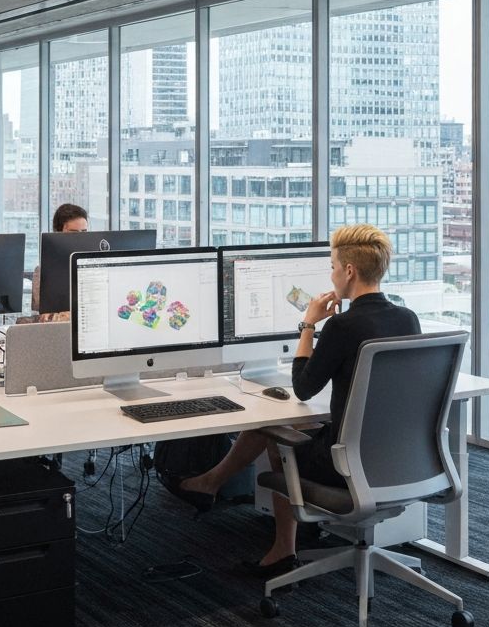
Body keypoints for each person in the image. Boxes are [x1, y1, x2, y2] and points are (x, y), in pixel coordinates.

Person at [179, 224, 420, 579]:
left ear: (349, 271)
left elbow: (303, 388)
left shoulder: (342, 327)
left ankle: (282, 549)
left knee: (277, 435)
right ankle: (210, 483)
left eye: (333, 267)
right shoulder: (407, 318)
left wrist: (308, 325)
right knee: (288, 423)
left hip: (346, 464)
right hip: (400, 458)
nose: (331, 274)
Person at [30, 203, 89, 312]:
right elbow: (39, 308)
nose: (80, 238)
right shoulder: (43, 271)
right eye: (74, 233)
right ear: (58, 233)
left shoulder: (93, 268)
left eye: (84, 232)